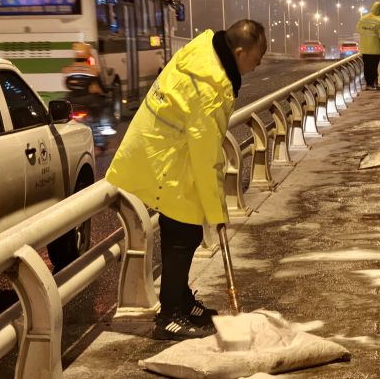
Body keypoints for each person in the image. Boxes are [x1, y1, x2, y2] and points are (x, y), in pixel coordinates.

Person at [106, 20, 267, 340]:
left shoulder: (206, 54)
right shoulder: (212, 86)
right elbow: (206, 157)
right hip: (165, 159)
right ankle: (170, 315)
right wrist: (218, 213)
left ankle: (180, 299)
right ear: (238, 52)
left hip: (163, 149)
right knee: (181, 236)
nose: (258, 64)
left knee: (188, 233)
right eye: (256, 58)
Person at [356, 1, 380, 90]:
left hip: (364, 48)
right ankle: (372, 84)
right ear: (379, 11)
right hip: (374, 48)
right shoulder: (379, 20)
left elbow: (358, 29)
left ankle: (368, 84)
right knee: (373, 67)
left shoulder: (363, 19)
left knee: (367, 66)